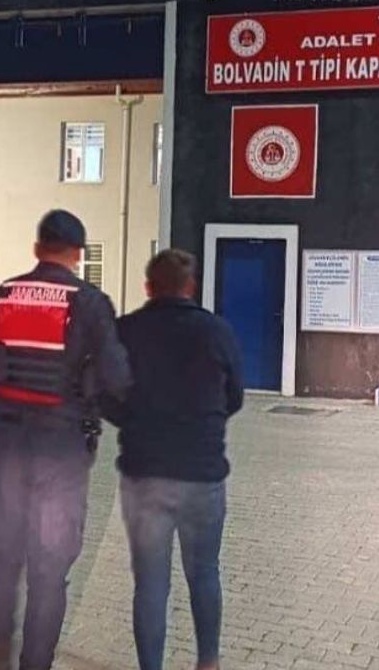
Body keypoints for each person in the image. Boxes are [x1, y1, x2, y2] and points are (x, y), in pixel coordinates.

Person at [0, 209, 131, 670]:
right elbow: (117, 378)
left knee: (3, 557)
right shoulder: (90, 304)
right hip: (62, 448)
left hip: (5, 442)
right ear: (78, 254)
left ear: (37, 249)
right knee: (50, 568)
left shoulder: (1, 296)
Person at [107, 249, 244, 670]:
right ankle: (208, 662)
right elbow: (235, 396)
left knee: (151, 584)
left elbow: (103, 393)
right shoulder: (217, 331)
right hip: (203, 475)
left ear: (148, 287)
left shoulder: (126, 331)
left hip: (145, 474)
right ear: (191, 286)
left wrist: (132, 420)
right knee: (204, 573)